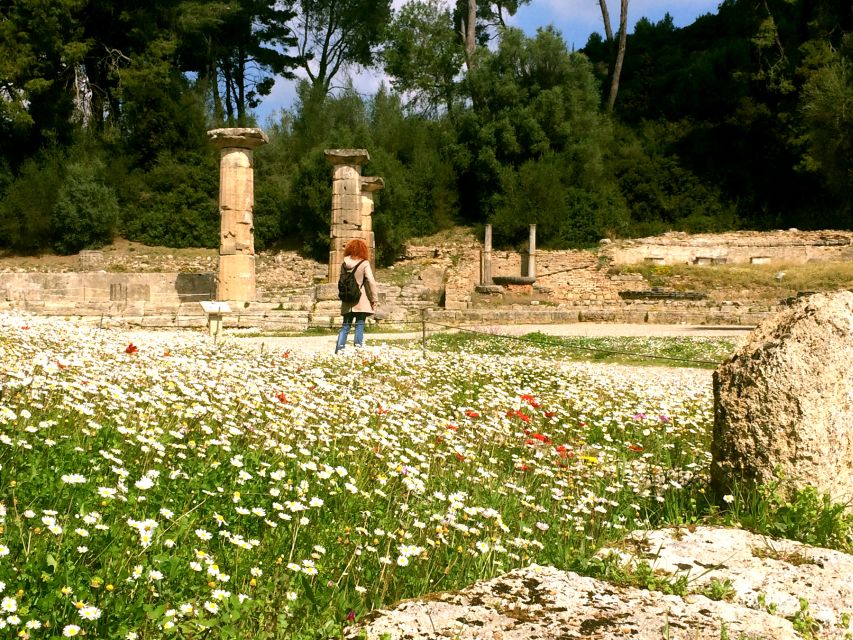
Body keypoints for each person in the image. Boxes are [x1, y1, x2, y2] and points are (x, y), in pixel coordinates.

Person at [335, 238, 379, 353]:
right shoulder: (364, 263)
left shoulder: (344, 264)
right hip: (361, 299)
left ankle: (338, 351)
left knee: (345, 327)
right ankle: (358, 352)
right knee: (359, 326)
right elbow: (371, 281)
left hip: (347, 300)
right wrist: (374, 299)